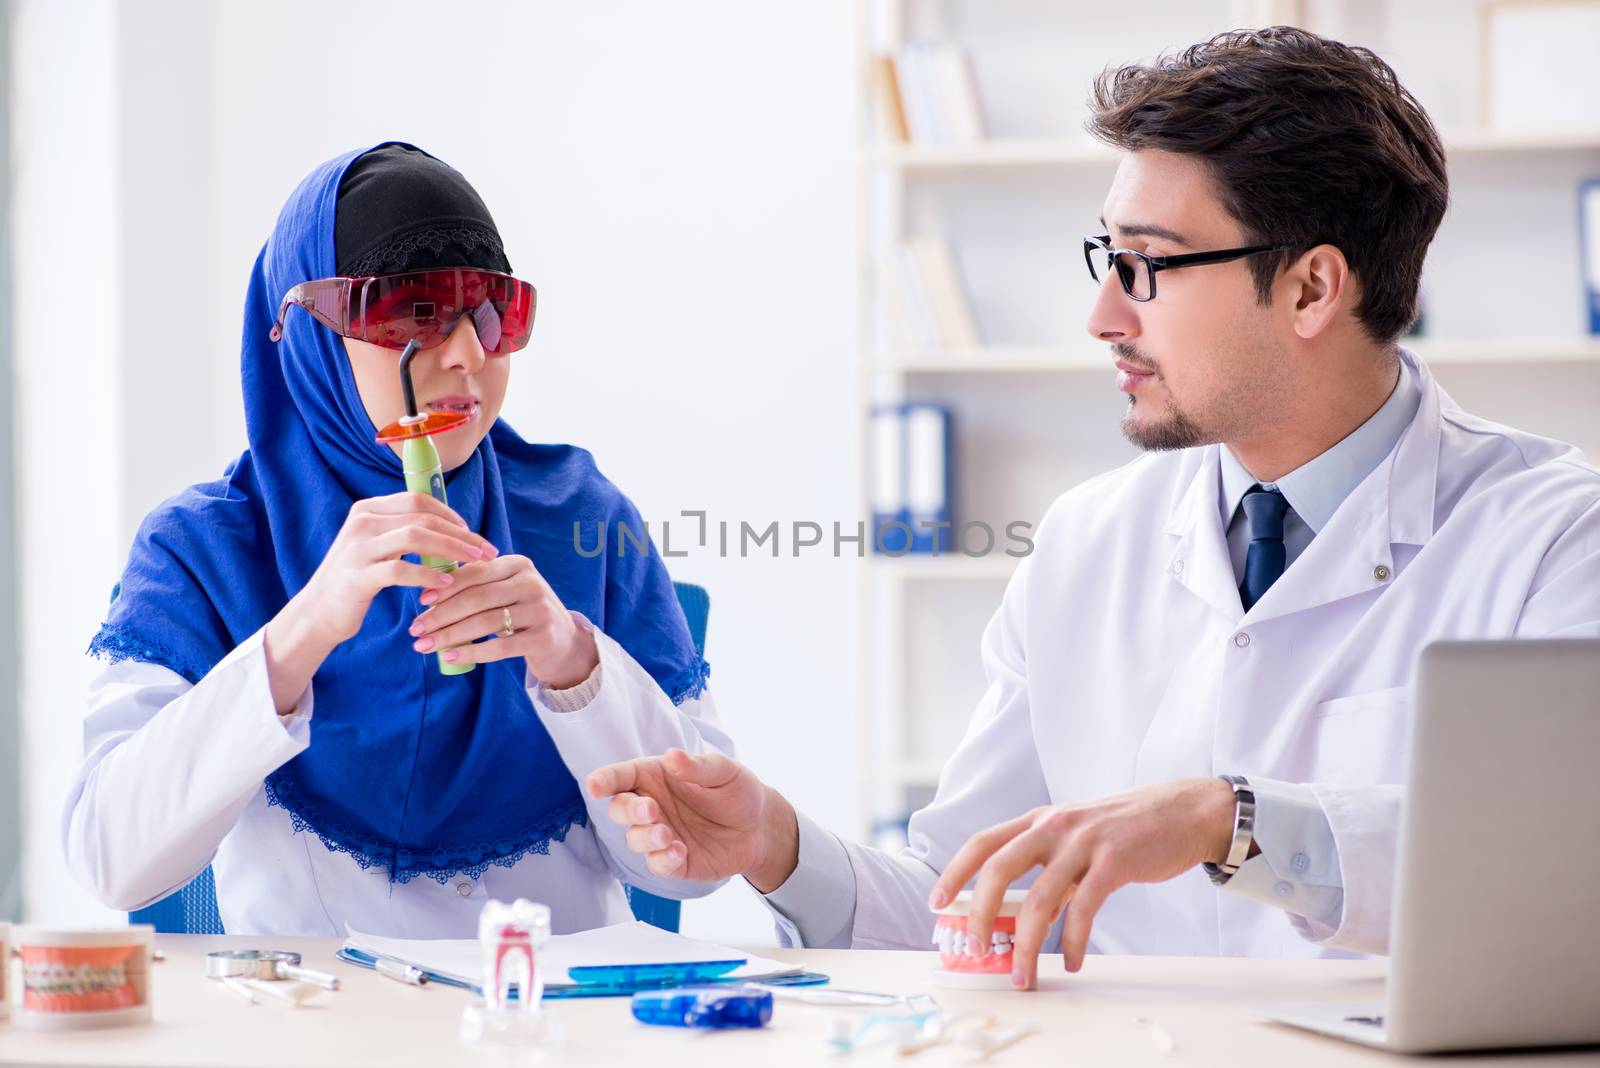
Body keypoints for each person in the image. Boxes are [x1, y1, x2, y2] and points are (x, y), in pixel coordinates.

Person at [586, 27, 1600, 989]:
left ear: (1310, 289)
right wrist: (779, 847)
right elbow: (965, 905)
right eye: (1104, 257)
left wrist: (1229, 823)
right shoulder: (1085, 541)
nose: (1103, 314)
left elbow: (1562, 880)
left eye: (1146, 266)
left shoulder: (1555, 540)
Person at [64, 143, 731, 936]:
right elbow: (111, 860)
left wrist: (572, 662)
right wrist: (301, 634)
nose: (466, 353)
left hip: (554, 1026)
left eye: (494, 312)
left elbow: (702, 865)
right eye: (416, 311)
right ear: (303, 334)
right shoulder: (204, 547)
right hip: (313, 1030)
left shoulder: (584, 518)